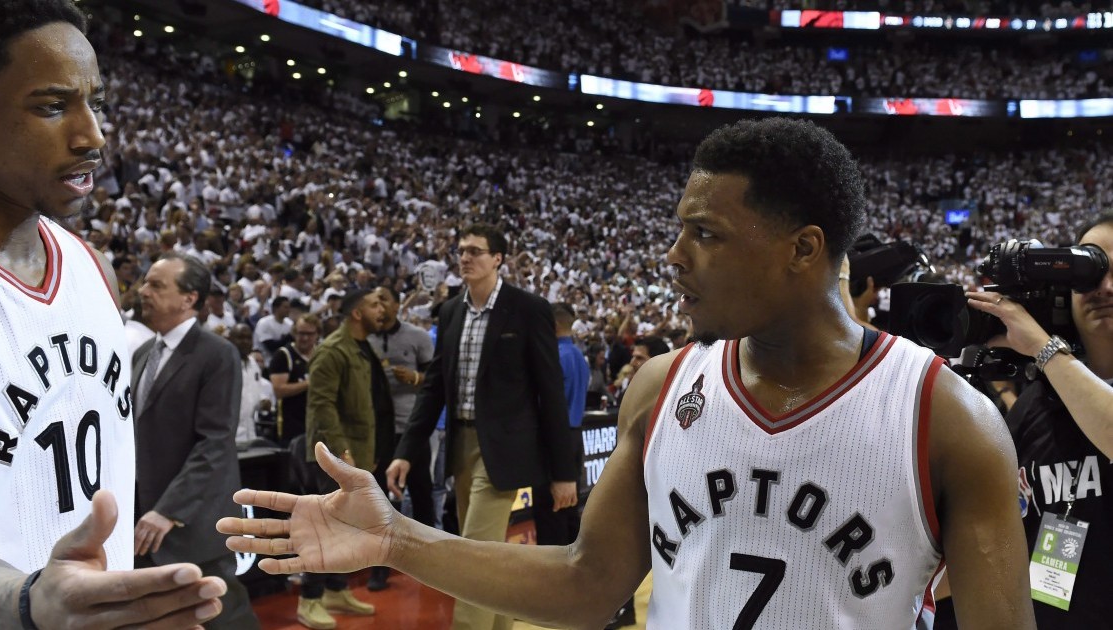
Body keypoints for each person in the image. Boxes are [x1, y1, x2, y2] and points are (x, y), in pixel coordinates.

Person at [219, 118, 1034, 629]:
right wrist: (398, 536)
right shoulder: (663, 384)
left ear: (804, 249)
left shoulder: (947, 417)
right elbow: (585, 584)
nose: (674, 257)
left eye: (705, 234)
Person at [0, 2, 226, 628]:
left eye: (94, 102)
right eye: (52, 106)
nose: (92, 135)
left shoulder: (91, 268)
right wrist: (33, 602)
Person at [385, 223, 579, 630]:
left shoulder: (528, 309)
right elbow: (435, 386)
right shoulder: (452, 311)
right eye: (461, 250)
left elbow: (551, 395)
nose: (466, 257)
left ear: (498, 259)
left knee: (470, 554)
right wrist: (406, 450)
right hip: (460, 444)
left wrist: (563, 474)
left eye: (475, 250)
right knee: (487, 553)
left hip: (504, 449)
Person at [966, 211, 1113, 629]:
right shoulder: (1038, 400)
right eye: (1091, 269)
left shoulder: (1047, 360)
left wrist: (1043, 348)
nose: (1105, 288)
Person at [133, 253, 260, 629]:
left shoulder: (217, 354)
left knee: (223, 614)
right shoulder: (143, 353)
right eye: (145, 282)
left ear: (189, 298)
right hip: (145, 516)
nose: (143, 291)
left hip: (191, 518)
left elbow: (215, 443)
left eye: (156, 285)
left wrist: (170, 510)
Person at [297, 289, 388, 628]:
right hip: (332, 457)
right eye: (374, 304)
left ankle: (335, 590)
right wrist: (343, 454)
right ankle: (309, 600)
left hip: (355, 453)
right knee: (324, 527)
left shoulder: (362, 348)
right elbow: (322, 405)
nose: (382, 309)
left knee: (345, 528)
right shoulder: (333, 349)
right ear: (356, 313)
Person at [369, 286, 436, 532]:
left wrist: (416, 377)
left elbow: (436, 379)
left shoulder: (418, 336)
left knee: (421, 492)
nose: (379, 306)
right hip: (377, 429)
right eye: (374, 302)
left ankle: (428, 552)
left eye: (384, 300)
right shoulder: (364, 338)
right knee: (377, 496)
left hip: (412, 427)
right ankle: (381, 561)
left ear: (397, 306)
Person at [530, 302, 589, 547]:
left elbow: (545, 403)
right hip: (575, 436)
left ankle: (550, 574)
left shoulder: (553, 356)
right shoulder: (578, 355)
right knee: (569, 508)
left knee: (548, 509)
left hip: (554, 437)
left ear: (552, 325)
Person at [271, 314, 319, 448]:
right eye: (301, 333)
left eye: (309, 334)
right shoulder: (283, 355)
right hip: (291, 425)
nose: (304, 338)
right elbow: (279, 390)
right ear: (294, 332)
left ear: (317, 334)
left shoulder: (321, 354)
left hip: (317, 422)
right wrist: (309, 383)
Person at [227, 322, 274, 447]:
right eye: (240, 338)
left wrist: (263, 402)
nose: (245, 342)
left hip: (250, 432)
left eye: (248, 338)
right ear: (230, 339)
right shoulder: (222, 364)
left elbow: (254, 395)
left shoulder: (253, 364)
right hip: (229, 435)